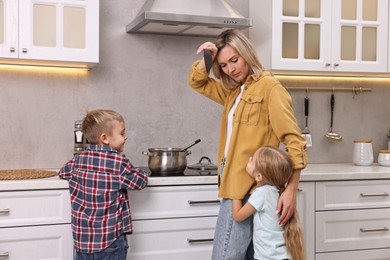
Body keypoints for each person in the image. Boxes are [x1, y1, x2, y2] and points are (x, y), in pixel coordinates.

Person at [187, 29, 307, 259]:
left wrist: (291, 190)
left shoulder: (270, 88)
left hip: (248, 188)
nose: (231, 69)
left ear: (247, 53)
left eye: (234, 60)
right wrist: (208, 59)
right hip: (234, 187)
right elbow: (197, 82)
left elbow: (294, 140)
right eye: (223, 65)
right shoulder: (234, 92)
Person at [58, 109, 148, 260]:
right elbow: (141, 182)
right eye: (122, 133)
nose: (125, 137)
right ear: (105, 138)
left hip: (82, 244)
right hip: (110, 242)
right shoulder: (119, 163)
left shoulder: (78, 160)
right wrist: (139, 171)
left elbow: (63, 172)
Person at [232, 146, 306, 260]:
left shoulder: (261, 194)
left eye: (253, 160)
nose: (250, 158)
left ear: (258, 176)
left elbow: (238, 216)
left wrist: (234, 188)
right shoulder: (278, 192)